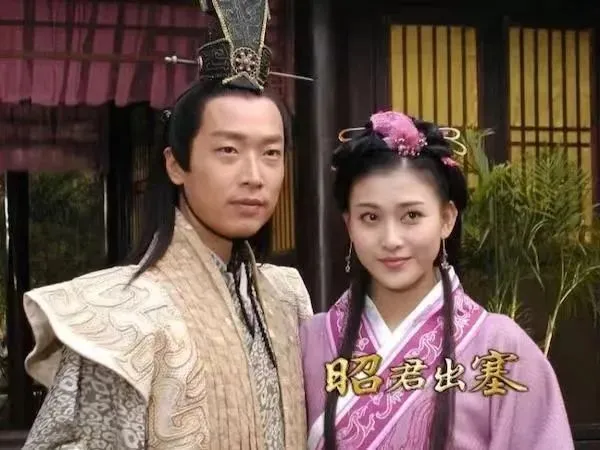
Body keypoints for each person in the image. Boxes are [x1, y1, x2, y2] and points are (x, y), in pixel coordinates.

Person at [22, 1, 313, 448]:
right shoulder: (121, 317)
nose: (254, 176)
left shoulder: (285, 300)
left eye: (271, 153)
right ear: (176, 164)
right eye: (228, 151)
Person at [300, 111, 574, 449]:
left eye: (411, 215)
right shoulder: (311, 342)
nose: (391, 239)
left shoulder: (502, 347)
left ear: (446, 219)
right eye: (370, 217)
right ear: (349, 225)